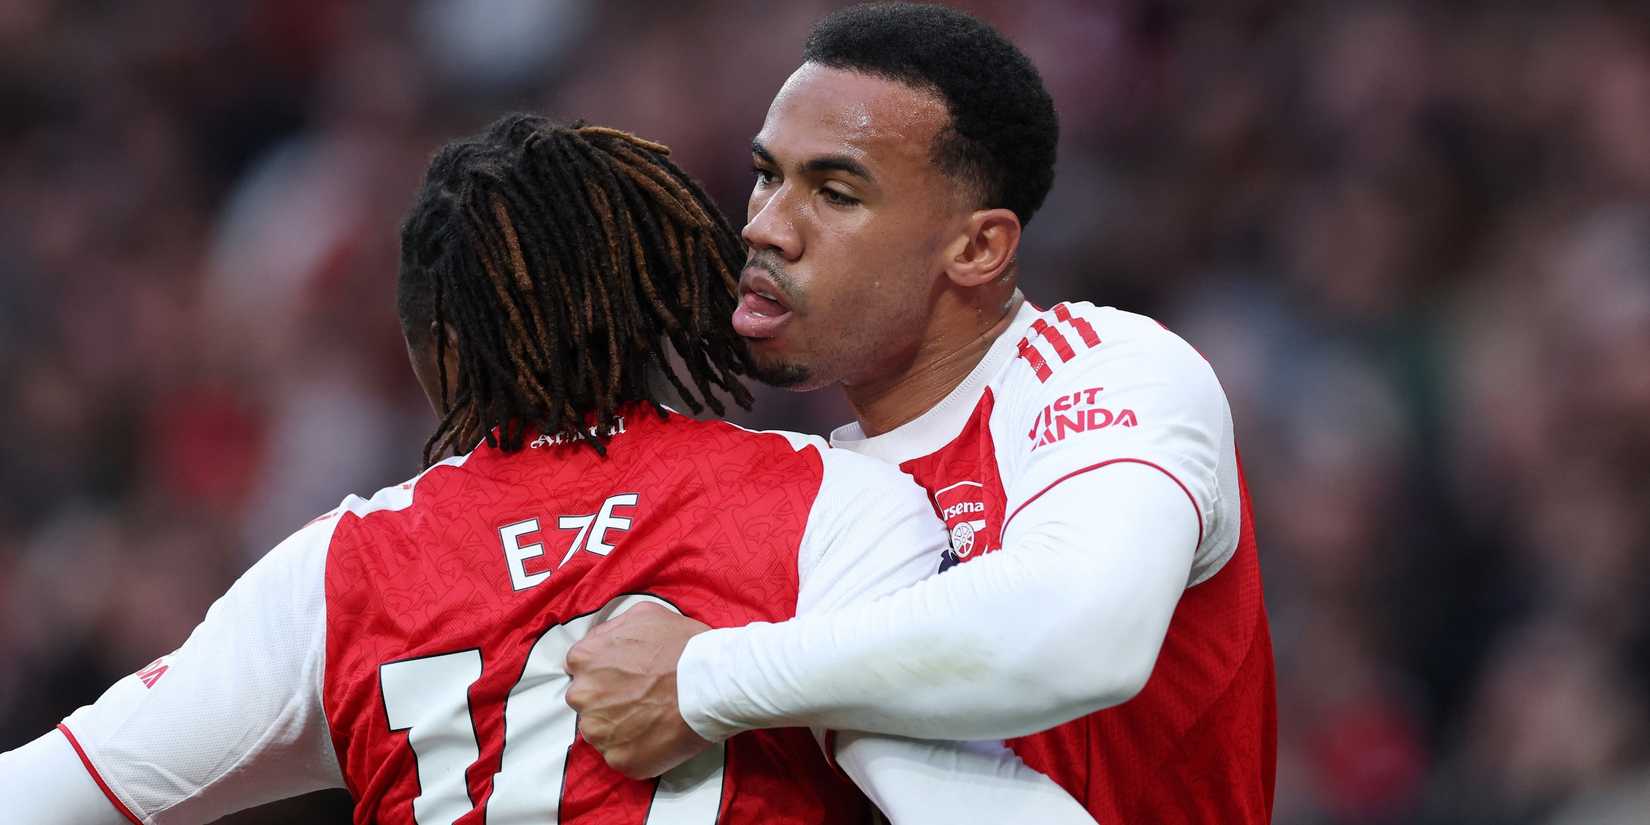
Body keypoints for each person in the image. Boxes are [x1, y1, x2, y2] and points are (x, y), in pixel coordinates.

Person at [0, 115, 1094, 824]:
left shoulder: (337, 577)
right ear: (664, 298)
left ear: (432, 348)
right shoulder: (835, 511)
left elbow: (43, 796)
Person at [563, 5, 1278, 823]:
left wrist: (704, 678)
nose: (764, 227)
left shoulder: (1106, 370)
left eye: (834, 192)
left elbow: (1087, 625)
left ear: (978, 249)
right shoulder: (803, 486)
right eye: (768, 175)